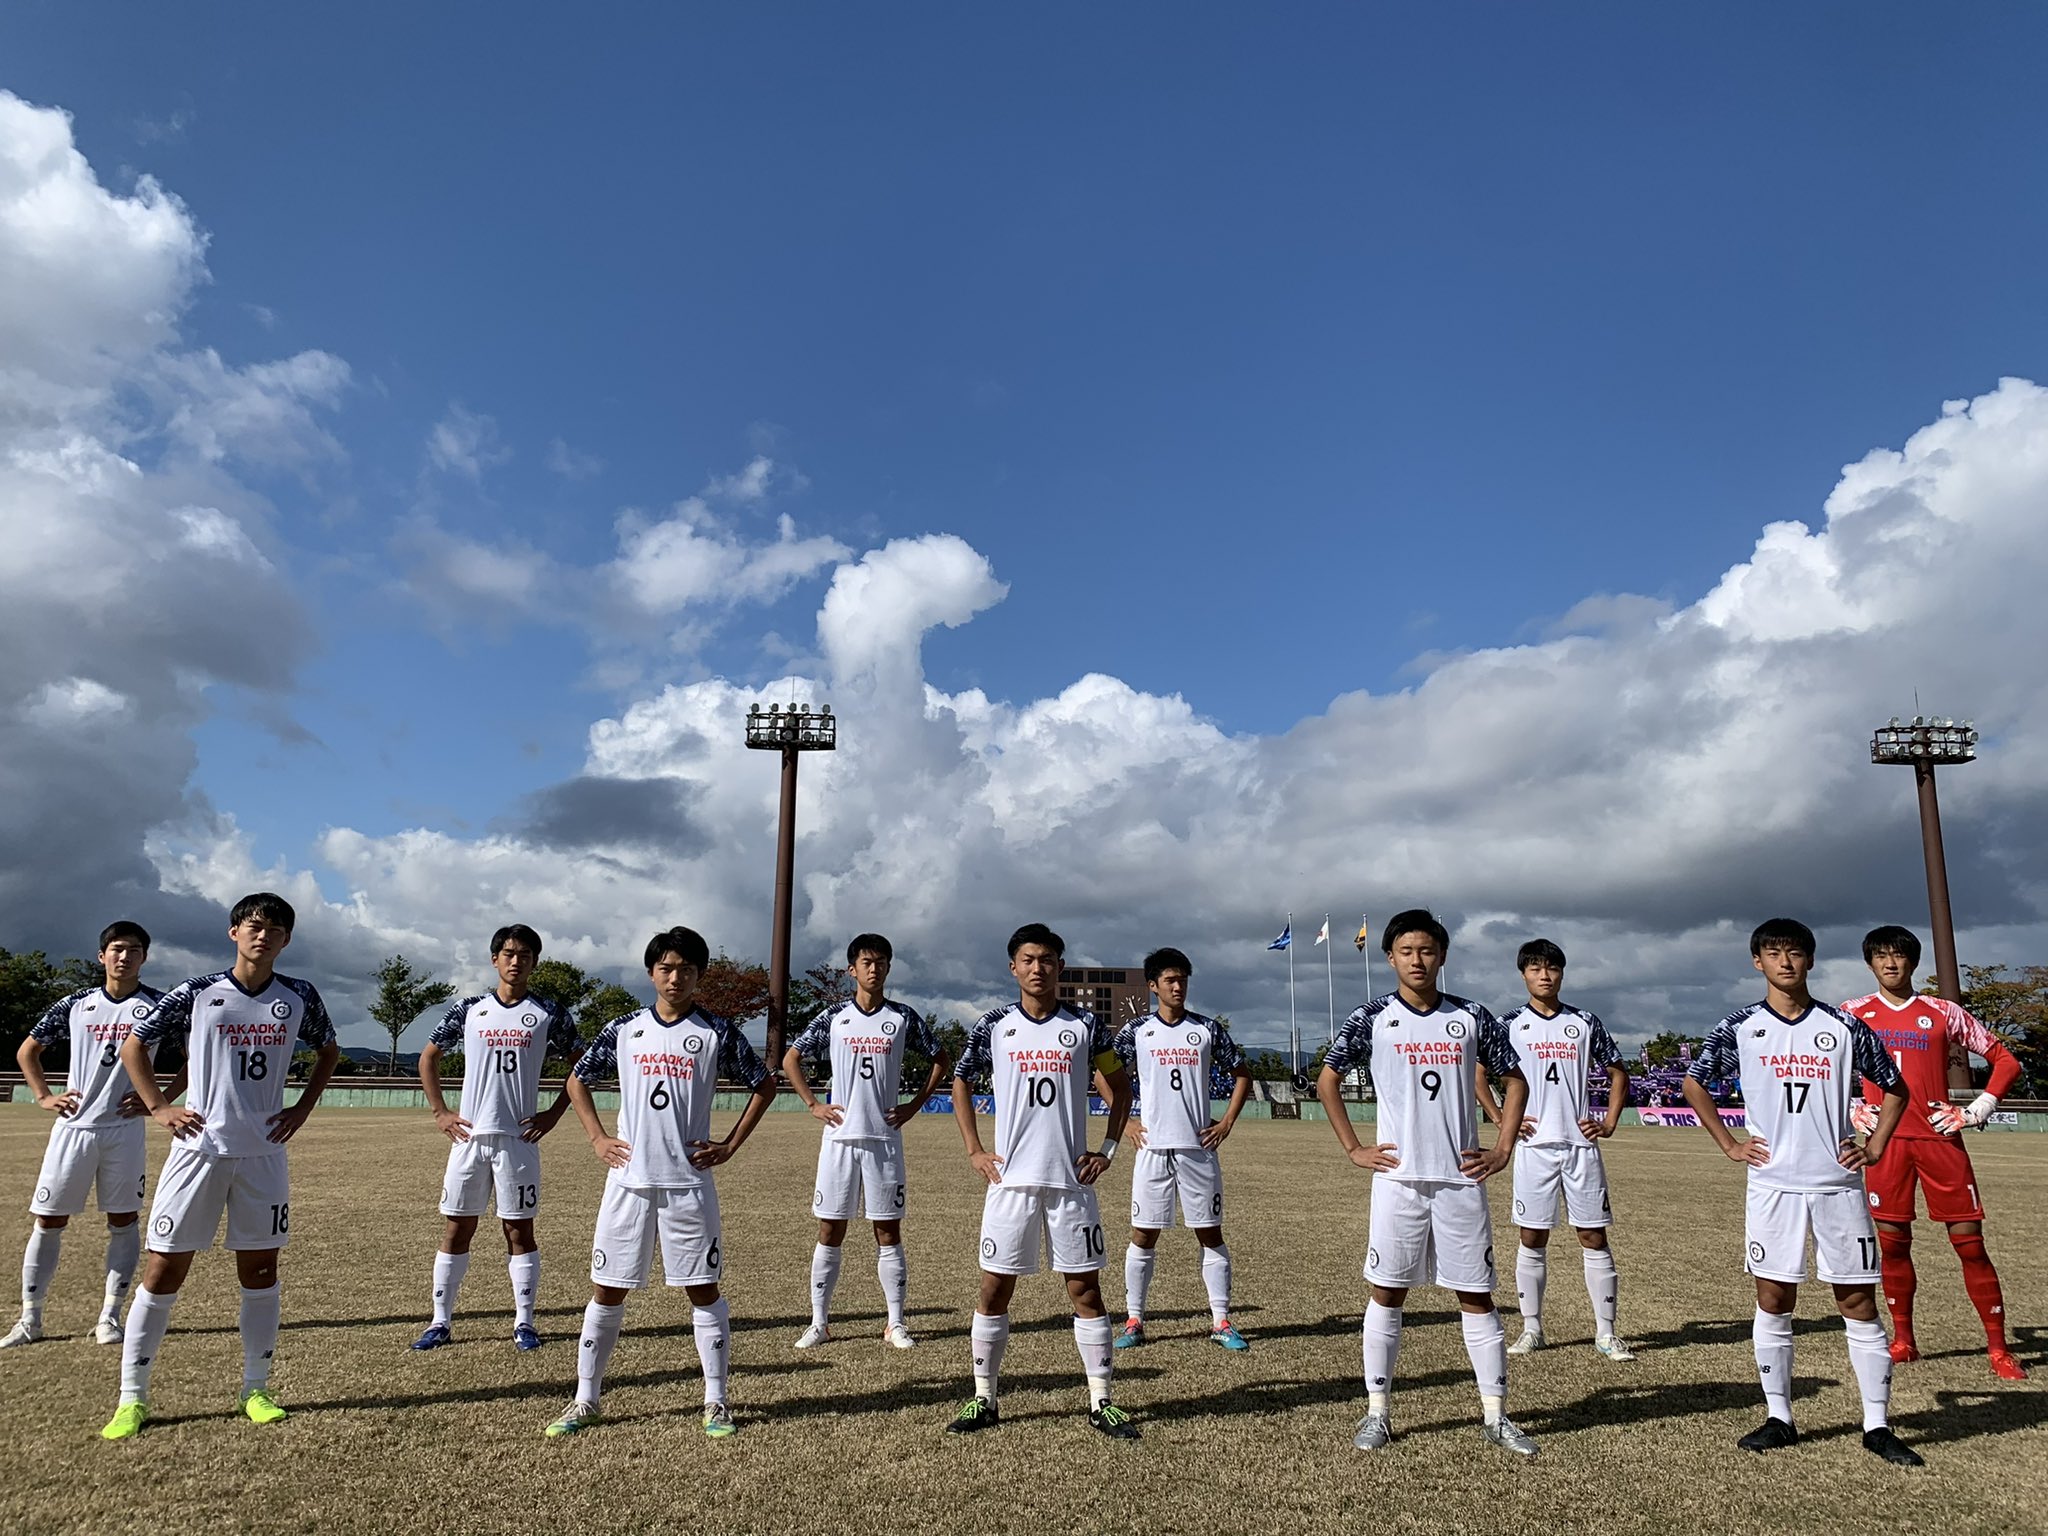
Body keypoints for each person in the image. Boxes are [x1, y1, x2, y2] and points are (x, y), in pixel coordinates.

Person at [1681, 917, 1922, 1466]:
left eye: (1795, 953)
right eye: (1773, 953)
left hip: (1838, 1185)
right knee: (1774, 1297)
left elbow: (1895, 1088)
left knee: (1856, 1300)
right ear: (1757, 962)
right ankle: (1779, 1417)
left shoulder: (1843, 1026)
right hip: (1773, 1185)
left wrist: (1877, 1145)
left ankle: (1878, 1425)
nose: (1785, 962)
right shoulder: (1739, 1027)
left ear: (1810, 961)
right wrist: (1729, 1143)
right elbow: (1694, 1082)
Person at [100, 893, 340, 1440]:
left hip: (263, 1155)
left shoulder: (299, 995)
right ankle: (131, 1398)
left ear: (286, 940)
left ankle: (256, 1387)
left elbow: (328, 1050)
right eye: (254, 926)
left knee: (259, 1272)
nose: (264, 935)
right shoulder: (197, 991)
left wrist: (302, 1107)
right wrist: (160, 1106)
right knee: (163, 1270)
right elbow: (136, 1045)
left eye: (276, 929)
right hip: (197, 1152)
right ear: (234, 932)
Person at [542, 926, 776, 1440]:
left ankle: (716, 1401)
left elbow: (764, 1084)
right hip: (628, 1182)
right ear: (652, 972)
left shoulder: (715, 1030)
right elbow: (577, 1079)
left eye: (687, 969)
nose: (676, 977)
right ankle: (585, 1399)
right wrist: (598, 1138)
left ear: (699, 975)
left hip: (688, 1184)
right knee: (607, 1290)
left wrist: (730, 1144)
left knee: (702, 1288)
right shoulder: (624, 1029)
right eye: (666, 968)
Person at [1317, 909, 1536, 1457]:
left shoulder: (1471, 1015)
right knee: (1387, 1293)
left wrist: (1504, 1147)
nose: (1418, 960)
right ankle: (1378, 1413)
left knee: (1477, 1295)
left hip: (1461, 1179)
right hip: (1399, 1180)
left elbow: (1516, 1079)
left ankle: (1496, 1415)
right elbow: (1327, 1080)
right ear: (1389, 957)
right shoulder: (1371, 1015)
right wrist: (1353, 1148)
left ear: (1443, 955)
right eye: (1407, 951)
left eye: (1428, 950)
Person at [943, 923, 1139, 1440]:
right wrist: (974, 1149)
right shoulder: (993, 1026)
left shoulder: (1085, 1027)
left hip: (1070, 1182)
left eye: (1048, 960)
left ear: (1059, 967)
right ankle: (984, 1399)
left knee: (1086, 1291)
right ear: (1014, 967)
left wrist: (1109, 1150)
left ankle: (1101, 1402)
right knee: (993, 1289)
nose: (1038, 968)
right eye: (1028, 959)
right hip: (1010, 1183)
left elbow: (1121, 1089)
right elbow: (960, 1080)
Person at [1842, 925, 2026, 1379]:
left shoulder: (1943, 1012)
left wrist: (1976, 1110)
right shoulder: (1851, 1013)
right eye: (1881, 956)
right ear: (1869, 963)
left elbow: (2006, 1060)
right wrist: (1853, 1107)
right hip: (1884, 1146)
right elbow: (1828, 1066)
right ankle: (1904, 1340)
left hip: (1940, 1140)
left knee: (1969, 1243)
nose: (1891, 964)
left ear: (1913, 962)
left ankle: (1999, 1349)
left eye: (1899, 956)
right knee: (1893, 1244)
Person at [4, 922, 174, 1350]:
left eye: (134, 950)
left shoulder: (158, 1005)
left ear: (144, 958)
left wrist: (162, 1099)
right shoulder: (77, 1004)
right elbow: (28, 1050)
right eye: (116, 949)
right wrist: (44, 1097)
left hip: (123, 1131)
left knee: (122, 1220)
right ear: (102, 956)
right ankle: (30, 1318)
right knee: (48, 1220)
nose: (124, 957)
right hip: (74, 1129)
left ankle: (109, 1316)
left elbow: (195, 1053)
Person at [411, 923, 580, 1353]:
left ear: (534, 962)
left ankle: (524, 1322)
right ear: (494, 959)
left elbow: (583, 1066)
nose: (516, 961)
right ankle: (439, 1321)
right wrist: (441, 1111)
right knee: (456, 1227)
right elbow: (428, 1057)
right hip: (469, 1137)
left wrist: (554, 1113)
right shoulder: (469, 1008)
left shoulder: (549, 1012)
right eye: (508, 953)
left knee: (519, 1229)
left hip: (518, 1139)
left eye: (525, 954)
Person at [780, 932, 950, 1351]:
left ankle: (895, 1323)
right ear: (852, 970)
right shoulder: (834, 1017)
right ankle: (819, 1322)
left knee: (887, 1230)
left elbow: (941, 1059)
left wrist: (914, 1105)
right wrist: (812, 1104)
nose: (874, 969)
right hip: (839, 1139)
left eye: (881, 962)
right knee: (830, 1228)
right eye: (866, 962)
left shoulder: (902, 1017)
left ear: (889, 968)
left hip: (883, 1139)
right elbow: (791, 1058)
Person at [1475, 938, 1633, 1361]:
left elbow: (1619, 1072)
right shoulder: (1508, 1023)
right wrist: (1497, 1116)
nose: (1544, 976)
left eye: (1552, 969)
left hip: (1581, 1145)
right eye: (1535, 969)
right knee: (1532, 1235)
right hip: (1534, 1147)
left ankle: (1606, 1333)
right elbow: (1478, 1075)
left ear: (1562, 974)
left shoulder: (1584, 1022)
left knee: (1593, 1235)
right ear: (1523, 973)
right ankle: (1532, 1328)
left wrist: (1610, 1121)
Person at [1109, 946, 1253, 1353]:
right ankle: (1135, 1319)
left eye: (1182, 980)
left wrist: (1225, 1122)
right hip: (1153, 1150)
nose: (1177, 986)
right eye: (1169, 980)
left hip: (1196, 1149)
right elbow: (1105, 1075)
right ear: (1153, 986)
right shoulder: (1136, 1031)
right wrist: (1127, 1123)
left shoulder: (1206, 1029)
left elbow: (1242, 1073)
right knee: (1143, 1235)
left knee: (1210, 1233)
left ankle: (1221, 1321)